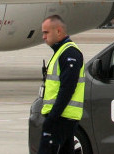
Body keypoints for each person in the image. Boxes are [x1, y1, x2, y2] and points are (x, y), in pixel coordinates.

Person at [37, 14, 85, 154]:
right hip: (63, 118)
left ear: (58, 31)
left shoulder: (69, 53)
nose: (43, 37)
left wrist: (52, 117)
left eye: (46, 32)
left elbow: (67, 88)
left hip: (61, 119)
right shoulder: (61, 52)